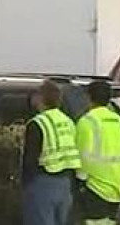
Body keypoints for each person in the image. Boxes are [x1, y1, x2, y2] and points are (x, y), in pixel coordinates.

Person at [75, 80, 120, 225]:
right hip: (118, 187)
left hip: (95, 187)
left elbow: (82, 155)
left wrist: (80, 181)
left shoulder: (87, 122)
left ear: (89, 98)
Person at [22, 79, 83, 225]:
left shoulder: (38, 123)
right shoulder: (68, 121)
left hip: (43, 182)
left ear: (41, 98)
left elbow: (30, 159)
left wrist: (27, 184)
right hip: (65, 184)